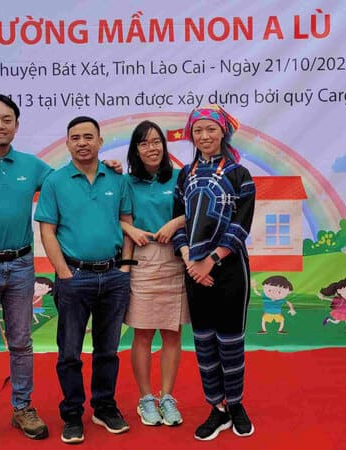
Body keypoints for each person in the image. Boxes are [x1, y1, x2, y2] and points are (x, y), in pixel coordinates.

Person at [0, 95, 123, 449]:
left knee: (22, 344)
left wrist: (106, 164)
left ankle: (23, 407)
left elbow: (71, 179)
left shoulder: (33, 167)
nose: (0, 125)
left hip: (21, 266)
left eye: (7, 119)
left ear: (17, 126)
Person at [34, 116, 134, 445]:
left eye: (88, 136)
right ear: (67, 144)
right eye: (75, 137)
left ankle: (104, 406)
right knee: (70, 353)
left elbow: (126, 222)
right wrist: (62, 271)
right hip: (73, 277)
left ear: (100, 141)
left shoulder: (117, 179)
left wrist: (125, 268)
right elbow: (47, 230)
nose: (82, 142)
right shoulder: (55, 182)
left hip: (113, 276)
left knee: (108, 350)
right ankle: (72, 413)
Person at [171, 104, 256, 440]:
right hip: (193, 270)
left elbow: (241, 225)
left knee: (230, 341)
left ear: (223, 131)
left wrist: (212, 260)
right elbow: (180, 221)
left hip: (230, 269)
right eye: (197, 131)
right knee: (204, 342)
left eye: (210, 129)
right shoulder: (185, 175)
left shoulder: (239, 175)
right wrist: (189, 258)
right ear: (191, 135)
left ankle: (236, 404)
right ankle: (216, 407)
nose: (204, 136)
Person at [121, 120, 189, 427]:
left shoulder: (180, 177)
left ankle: (167, 397)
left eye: (156, 141)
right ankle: (146, 398)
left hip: (177, 260)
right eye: (144, 143)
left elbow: (199, 211)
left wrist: (176, 223)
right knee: (143, 334)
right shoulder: (125, 183)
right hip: (143, 261)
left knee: (173, 334)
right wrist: (130, 228)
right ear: (136, 149)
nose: (152, 148)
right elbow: (111, 217)